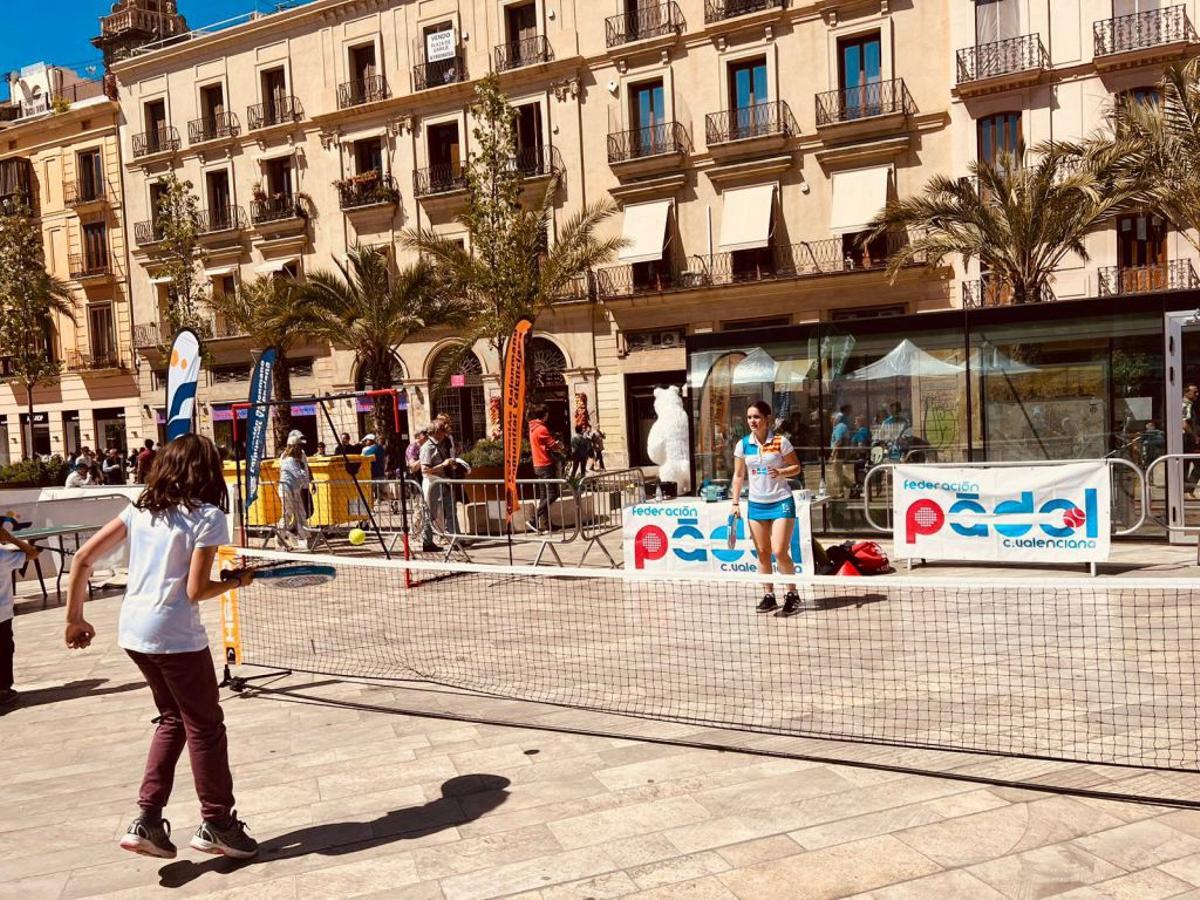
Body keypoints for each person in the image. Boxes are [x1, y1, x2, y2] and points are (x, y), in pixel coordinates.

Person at [63, 434, 258, 860]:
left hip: (135, 631)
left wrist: (74, 618)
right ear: (207, 472)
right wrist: (236, 581)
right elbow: (196, 589)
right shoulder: (208, 516)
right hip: (175, 636)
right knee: (205, 727)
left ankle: (148, 819)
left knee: (173, 718)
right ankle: (219, 823)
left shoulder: (140, 508)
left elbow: (82, 560)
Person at [729, 401, 803, 616]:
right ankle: (769, 595)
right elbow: (739, 475)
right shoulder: (743, 444)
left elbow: (796, 468)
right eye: (750, 417)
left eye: (757, 417)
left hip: (781, 501)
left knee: (779, 551)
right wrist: (735, 503)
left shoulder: (781, 442)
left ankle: (792, 594)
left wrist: (782, 473)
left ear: (767, 419)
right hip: (756, 504)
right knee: (762, 553)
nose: (753, 421)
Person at [0, 526, 41, 708]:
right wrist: (11, 538)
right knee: (4, 650)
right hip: (1, 612)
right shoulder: (3, 556)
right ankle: (3, 690)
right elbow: (32, 553)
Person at [419, 420, 458, 552]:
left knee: (450, 510)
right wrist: (444, 464)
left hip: (443, 481)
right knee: (431, 512)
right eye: (442, 429)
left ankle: (454, 540)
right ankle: (427, 542)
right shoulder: (427, 447)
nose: (445, 432)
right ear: (435, 432)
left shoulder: (440, 444)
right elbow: (425, 470)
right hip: (433, 483)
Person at [528, 405, 564, 532]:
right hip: (545, 464)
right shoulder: (542, 428)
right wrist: (559, 445)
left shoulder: (532, 428)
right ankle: (533, 519)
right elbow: (553, 445)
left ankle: (547, 524)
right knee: (553, 494)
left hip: (537, 464)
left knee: (544, 496)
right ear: (545, 414)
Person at [277, 431, 311, 551]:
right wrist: (302, 470)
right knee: (287, 513)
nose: (301, 448)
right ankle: (279, 540)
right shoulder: (288, 460)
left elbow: (303, 476)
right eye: (299, 446)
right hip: (286, 489)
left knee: (301, 513)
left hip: (295, 488)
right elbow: (299, 475)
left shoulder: (297, 459)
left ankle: (304, 538)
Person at [828, 411, 851, 499]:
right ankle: (853, 487)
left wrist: (832, 454)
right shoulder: (840, 427)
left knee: (837, 474)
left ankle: (842, 491)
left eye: (832, 418)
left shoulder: (840, 427)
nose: (831, 420)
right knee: (839, 473)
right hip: (840, 453)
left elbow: (838, 442)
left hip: (838, 453)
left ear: (836, 418)